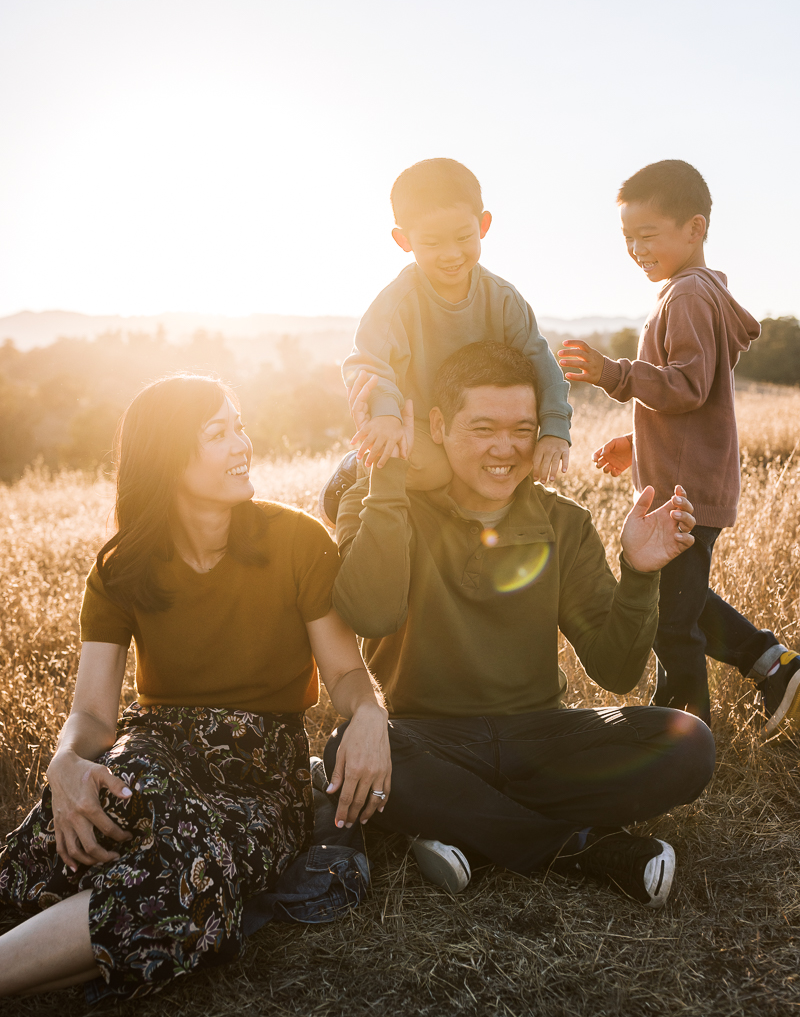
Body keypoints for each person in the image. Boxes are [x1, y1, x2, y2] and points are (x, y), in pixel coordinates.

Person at [0, 374, 390, 1002]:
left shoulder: (297, 542)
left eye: (240, 425)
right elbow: (95, 718)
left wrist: (370, 714)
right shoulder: (121, 567)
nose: (244, 444)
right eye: (219, 432)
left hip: (260, 777)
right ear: (168, 456)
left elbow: (345, 673)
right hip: (155, 752)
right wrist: (65, 762)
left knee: (188, 874)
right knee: (94, 844)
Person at [324, 342, 715, 908]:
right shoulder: (379, 503)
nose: (505, 449)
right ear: (437, 425)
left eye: (522, 429)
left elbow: (616, 668)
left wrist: (638, 572)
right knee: (349, 749)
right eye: (482, 428)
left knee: (688, 743)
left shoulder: (565, 523)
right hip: (428, 742)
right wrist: (388, 481)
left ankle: (468, 830)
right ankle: (582, 849)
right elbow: (370, 613)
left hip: (541, 738)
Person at [558, 159, 799, 732]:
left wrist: (613, 374)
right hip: (681, 477)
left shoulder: (688, 295)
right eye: (626, 238)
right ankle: (774, 663)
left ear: (695, 229)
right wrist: (636, 440)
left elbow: (688, 385)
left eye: (647, 235)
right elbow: (693, 397)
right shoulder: (690, 291)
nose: (636, 249)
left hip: (684, 490)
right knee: (679, 603)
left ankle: (681, 737)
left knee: (672, 622)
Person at [322, 158, 571, 518]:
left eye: (463, 237)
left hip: (481, 429)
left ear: (483, 225)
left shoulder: (503, 299)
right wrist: (387, 416)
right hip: (418, 425)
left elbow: (540, 362)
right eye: (433, 242)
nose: (451, 253)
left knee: (518, 461)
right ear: (403, 240)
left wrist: (554, 427)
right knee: (435, 469)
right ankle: (354, 471)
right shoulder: (397, 302)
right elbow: (367, 362)